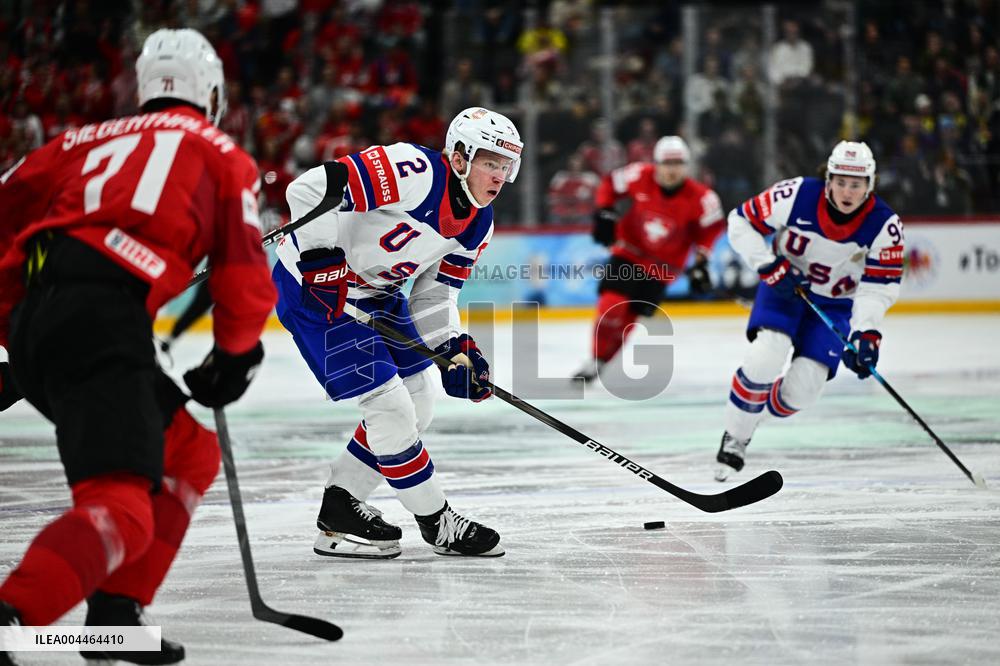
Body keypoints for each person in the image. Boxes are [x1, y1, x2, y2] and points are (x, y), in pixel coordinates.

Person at [0, 29, 276, 666]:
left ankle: (115, 617)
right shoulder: (221, 153)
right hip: (103, 321)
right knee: (123, 509)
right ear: (212, 95)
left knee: (190, 451)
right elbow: (243, 276)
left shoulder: (75, 143)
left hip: (49, 319)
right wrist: (235, 356)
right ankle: (14, 616)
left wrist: (19, 340)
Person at [272, 106, 523, 559]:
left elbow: (435, 294)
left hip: (376, 295)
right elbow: (310, 188)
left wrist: (453, 348)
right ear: (460, 158)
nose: (499, 176)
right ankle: (437, 521)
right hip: (314, 294)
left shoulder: (478, 224)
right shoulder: (414, 171)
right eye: (491, 162)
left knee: (420, 398)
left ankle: (341, 506)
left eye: (506, 165)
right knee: (389, 407)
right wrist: (320, 259)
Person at [714, 141, 904, 481]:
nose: (847, 192)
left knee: (803, 390)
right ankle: (736, 436)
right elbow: (740, 221)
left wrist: (866, 333)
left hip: (834, 305)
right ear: (828, 179)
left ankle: (750, 414)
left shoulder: (885, 226)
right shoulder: (796, 195)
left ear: (869, 185)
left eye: (856, 184)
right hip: (785, 289)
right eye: (841, 182)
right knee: (765, 356)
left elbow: (878, 287)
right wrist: (768, 265)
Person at [574, 135, 724, 383]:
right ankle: (595, 356)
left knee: (629, 317)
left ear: (686, 166)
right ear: (656, 164)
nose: (672, 170)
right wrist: (605, 211)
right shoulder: (639, 175)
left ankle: (601, 361)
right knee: (611, 305)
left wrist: (701, 261)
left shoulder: (702, 198)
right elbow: (609, 185)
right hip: (629, 253)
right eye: (667, 163)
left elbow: (709, 231)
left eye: (678, 163)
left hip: (663, 267)